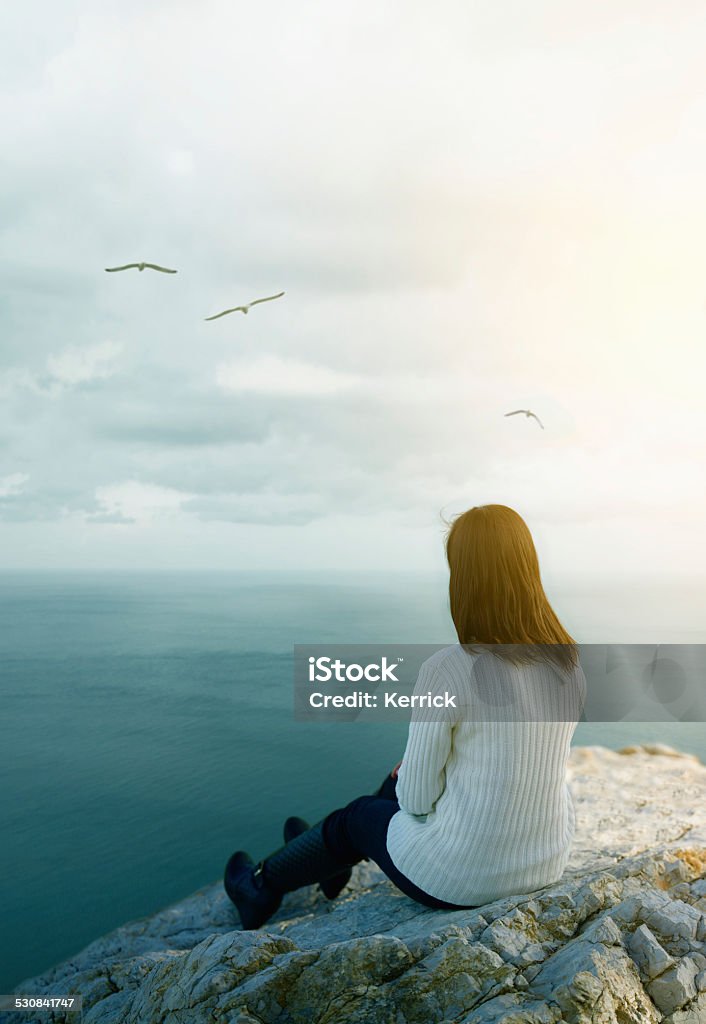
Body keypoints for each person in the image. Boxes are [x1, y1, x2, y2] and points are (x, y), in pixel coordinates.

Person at [224, 503, 586, 929]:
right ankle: (322, 856)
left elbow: (414, 801)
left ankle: (260, 888)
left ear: (465, 579)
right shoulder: (568, 664)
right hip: (542, 865)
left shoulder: (450, 668)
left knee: (359, 815)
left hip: (463, 879)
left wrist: (416, 773)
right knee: (388, 787)